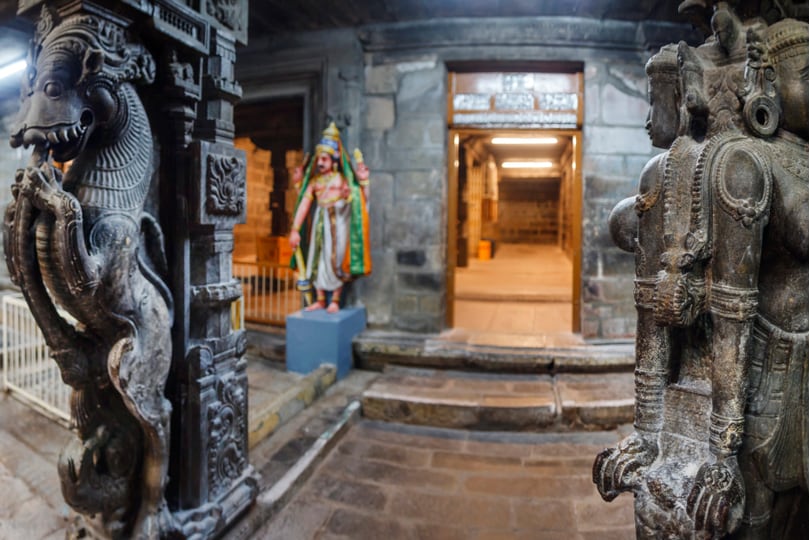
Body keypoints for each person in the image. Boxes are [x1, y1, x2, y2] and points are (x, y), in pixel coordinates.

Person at [288, 122, 371, 313]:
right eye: (319, 158)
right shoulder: (315, 182)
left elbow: (360, 203)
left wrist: (364, 182)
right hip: (319, 223)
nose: (320, 162)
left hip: (339, 223)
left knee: (335, 260)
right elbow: (303, 204)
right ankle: (320, 299)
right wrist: (295, 230)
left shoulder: (342, 179)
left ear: (333, 159)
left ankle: (334, 299)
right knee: (316, 260)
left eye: (324, 159)